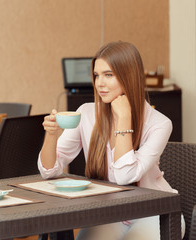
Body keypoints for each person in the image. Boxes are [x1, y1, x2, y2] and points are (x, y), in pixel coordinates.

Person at [38, 41, 185, 239]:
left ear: (128, 76)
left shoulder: (160, 124)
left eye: (108, 75)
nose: (100, 83)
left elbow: (126, 176)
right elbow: (49, 171)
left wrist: (124, 119)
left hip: (155, 212)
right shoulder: (87, 113)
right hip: (112, 213)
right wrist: (51, 135)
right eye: (97, 75)